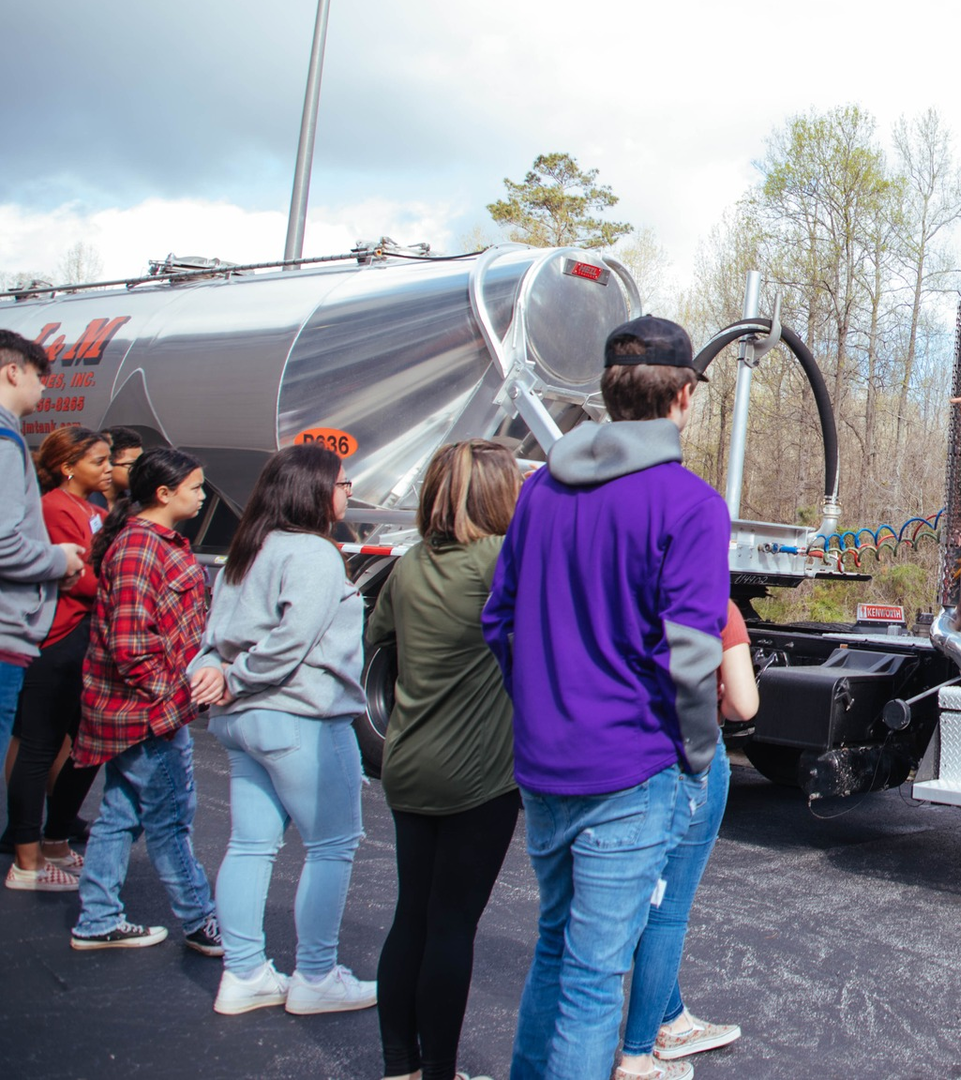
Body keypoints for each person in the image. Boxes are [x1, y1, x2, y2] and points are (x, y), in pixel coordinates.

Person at [483, 315, 729, 1080]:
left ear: (608, 393)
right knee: (594, 982)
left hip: (544, 767)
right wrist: (696, 753)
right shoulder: (689, 505)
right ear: (684, 396)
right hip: (632, 768)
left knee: (554, 953)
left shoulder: (540, 494)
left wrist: (544, 709)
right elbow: (689, 656)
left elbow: (501, 620)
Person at [190, 442, 374, 1017]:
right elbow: (294, 641)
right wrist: (239, 678)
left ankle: (243, 972)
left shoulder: (248, 550)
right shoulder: (316, 554)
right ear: (315, 491)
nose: (348, 493)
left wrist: (219, 676)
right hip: (300, 717)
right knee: (333, 846)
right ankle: (316, 976)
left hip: (240, 722)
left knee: (249, 845)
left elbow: (211, 640)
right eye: (343, 484)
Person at [371, 440, 523, 1080]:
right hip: (478, 775)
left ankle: (400, 1066)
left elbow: (380, 641)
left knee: (412, 916)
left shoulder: (408, 565)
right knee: (453, 926)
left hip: (408, 764)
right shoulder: (500, 561)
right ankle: (439, 1071)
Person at [68, 447, 223, 955]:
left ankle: (97, 918)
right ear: (164, 493)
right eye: (196, 488)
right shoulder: (140, 548)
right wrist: (168, 700)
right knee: (171, 818)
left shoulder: (149, 541)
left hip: (140, 711)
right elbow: (131, 644)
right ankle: (201, 921)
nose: (202, 496)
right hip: (146, 715)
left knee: (120, 812)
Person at [616, 599, 759, 1080]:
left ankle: (672, 1016)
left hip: (624, 753)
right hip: (689, 758)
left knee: (639, 894)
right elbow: (743, 703)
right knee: (667, 907)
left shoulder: (621, 588)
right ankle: (639, 1054)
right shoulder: (716, 606)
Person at [5, 427, 110, 890]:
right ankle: (26, 856)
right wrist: (113, 579)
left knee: (86, 747)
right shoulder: (53, 508)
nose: (108, 469)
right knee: (38, 748)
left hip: (87, 640)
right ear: (69, 465)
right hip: (59, 639)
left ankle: (54, 840)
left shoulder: (94, 510)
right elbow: (78, 578)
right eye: (100, 460)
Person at [0, 331, 87, 787]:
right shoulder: (5, 441)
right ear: (13, 371)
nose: (44, 387)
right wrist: (58, 560)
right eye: (39, 375)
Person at [102, 427, 144, 505]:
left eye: (141, 463)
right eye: (132, 464)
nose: (140, 470)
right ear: (108, 463)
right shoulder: (86, 503)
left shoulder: (135, 502)